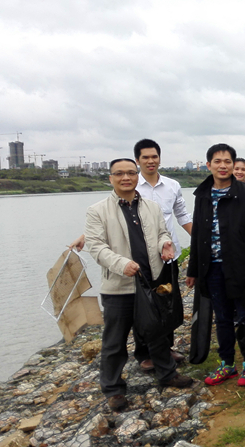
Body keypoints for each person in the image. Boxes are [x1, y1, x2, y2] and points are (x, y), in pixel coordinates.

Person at [69, 139, 193, 372]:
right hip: (129, 262)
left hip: (164, 256)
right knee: (136, 312)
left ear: (159, 159)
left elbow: (182, 216)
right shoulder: (128, 188)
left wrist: (201, 242)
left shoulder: (172, 186)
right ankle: (143, 356)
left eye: (154, 156)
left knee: (164, 307)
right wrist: (86, 236)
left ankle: (164, 351)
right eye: (145, 157)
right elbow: (112, 221)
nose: (150, 161)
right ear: (138, 161)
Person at [84, 158, 194, 412]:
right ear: (110, 178)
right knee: (114, 341)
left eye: (130, 173)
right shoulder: (97, 211)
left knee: (157, 332)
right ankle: (113, 389)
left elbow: (162, 233)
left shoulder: (151, 207)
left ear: (137, 176)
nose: (126, 178)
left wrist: (165, 244)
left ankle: (167, 374)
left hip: (151, 281)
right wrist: (121, 264)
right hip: (119, 286)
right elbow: (96, 247)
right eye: (119, 174)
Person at [186, 144, 245, 387]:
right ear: (208, 165)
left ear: (233, 165)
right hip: (211, 267)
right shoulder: (202, 194)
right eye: (217, 161)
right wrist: (193, 270)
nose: (222, 166)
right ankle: (226, 363)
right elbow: (198, 233)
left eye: (227, 161)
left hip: (240, 266)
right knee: (222, 317)